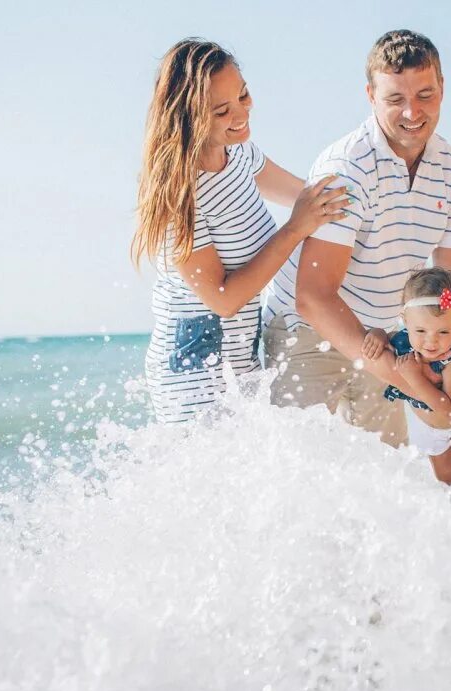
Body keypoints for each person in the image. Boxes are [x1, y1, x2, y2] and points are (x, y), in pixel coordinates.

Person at [263, 30, 451, 447]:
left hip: (386, 335)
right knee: (299, 472)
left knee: (383, 477)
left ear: (443, 87)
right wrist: (410, 382)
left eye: (425, 94)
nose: (413, 112)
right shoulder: (347, 168)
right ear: (371, 95)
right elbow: (314, 296)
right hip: (308, 333)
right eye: (395, 99)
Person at [132, 38, 349, 423]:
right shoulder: (179, 197)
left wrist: (361, 201)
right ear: (189, 115)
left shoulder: (240, 153)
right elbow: (223, 300)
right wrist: (295, 229)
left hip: (241, 356)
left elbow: (308, 197)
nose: (241, 113)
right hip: (192, 368)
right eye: (222, 111)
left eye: (244, 95)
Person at [362, 268, 451, 484]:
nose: (431, 341)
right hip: (430, 429)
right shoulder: (401, 340)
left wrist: (413, 376)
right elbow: (387, 337)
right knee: (449, 484)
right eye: (420, 331)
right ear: (405, 320)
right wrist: (378, 334)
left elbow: (448, 409)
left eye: (444, 332)